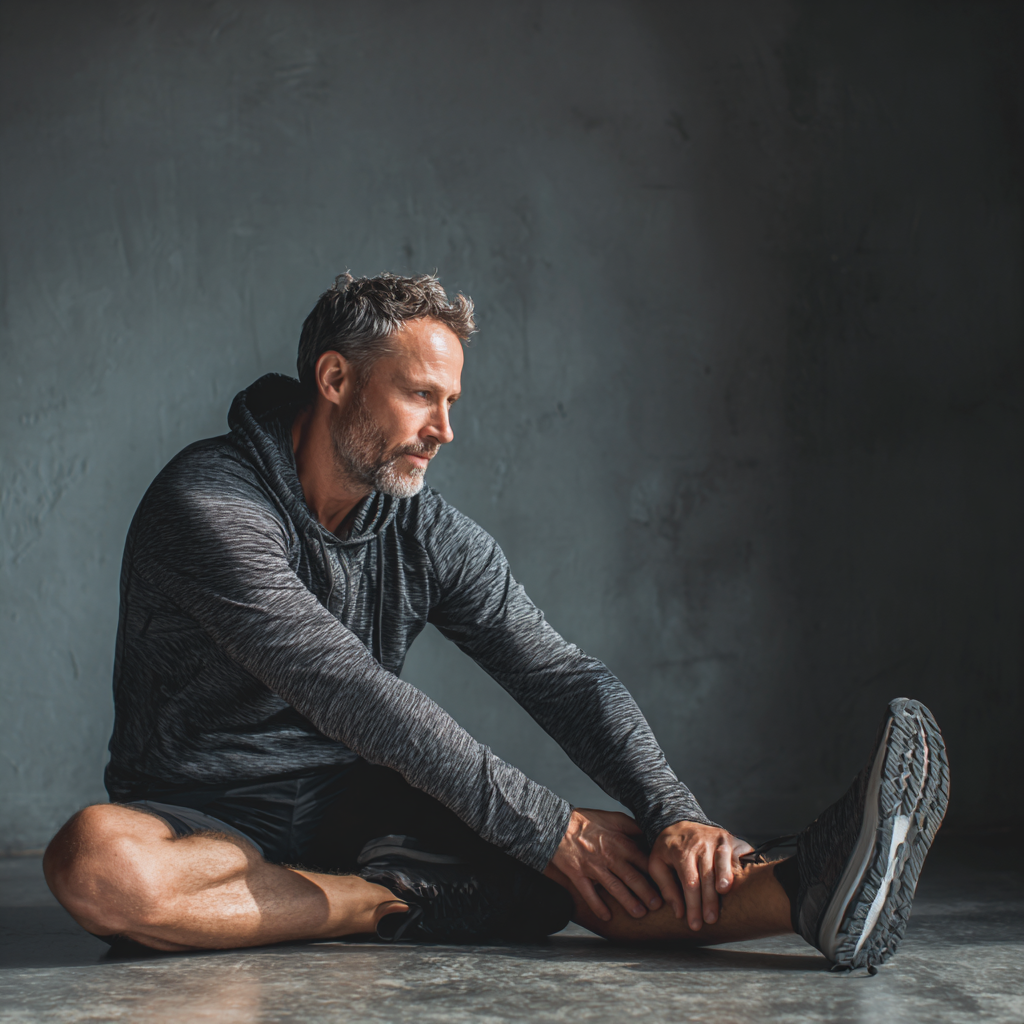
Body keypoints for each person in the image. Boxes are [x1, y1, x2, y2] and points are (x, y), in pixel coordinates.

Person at [43, 273, 948, 971]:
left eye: (451, 402)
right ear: (334, 378)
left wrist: (672, 811)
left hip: (355, 805)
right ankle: (381, 902)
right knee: (97, 865)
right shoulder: (208, 503)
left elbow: (561, 676)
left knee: (598, 852)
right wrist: (540, 831)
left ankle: (813, 889)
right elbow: (345, 688)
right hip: (198, 813)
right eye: (420, 396)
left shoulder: (426, 529)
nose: (444, 428)